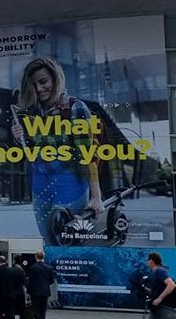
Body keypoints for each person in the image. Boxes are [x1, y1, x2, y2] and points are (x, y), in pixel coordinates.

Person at [11, 57, 105, 244]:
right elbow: (27, 154)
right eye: (33, 84)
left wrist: (96, 197)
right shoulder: (30, 111)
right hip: (39, 188)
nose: (38, 89)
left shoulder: (75, 107)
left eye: (43, 81)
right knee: (50, 246)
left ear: (56, 78)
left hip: (70, 185)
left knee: (70, 246)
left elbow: (88, 155)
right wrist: (18, 137)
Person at [26, 250, 55, 319]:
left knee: (35, 310)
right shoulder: (49, 268)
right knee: (43, 310)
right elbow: (51, 281)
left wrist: (28, 292)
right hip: (45, 291)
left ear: (36, 257)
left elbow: (30, 281)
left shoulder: (33, 268)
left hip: (35, 292)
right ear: (44, 257)